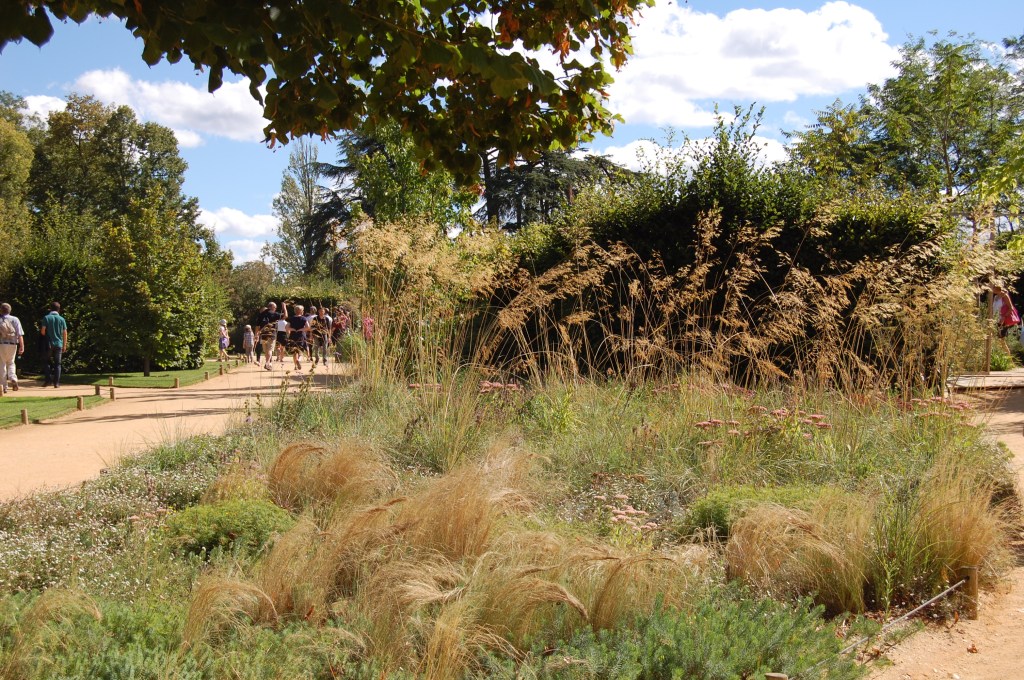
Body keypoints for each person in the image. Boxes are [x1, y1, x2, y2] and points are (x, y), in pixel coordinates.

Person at [41, 302, 68, 388]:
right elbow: (65, 333)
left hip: (48, 344)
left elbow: (43, 331)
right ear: (59, 309)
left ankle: (48, 381)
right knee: (58, 364)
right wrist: (64, 345)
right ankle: (56, 383)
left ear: (50, 308)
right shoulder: (62, 319)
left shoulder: (46, 318)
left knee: (46, 362)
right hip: (58, 344)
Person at [0, 302, 25, 394]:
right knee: (11, 363)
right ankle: (13, 378)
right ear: (10, 310)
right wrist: (22, 346)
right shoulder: (15, 319)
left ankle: (3, 387)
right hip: (13, 344)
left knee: (2, 365)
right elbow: (20, 334)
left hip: (1, 345)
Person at [255, 302, 282, 370]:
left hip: (263, 334)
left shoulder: (260, 316)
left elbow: (257, 327)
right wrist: (284, 307)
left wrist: (256, 334)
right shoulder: (273, 315)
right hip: (272, 334)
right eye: (275, 307)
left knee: (266, 350)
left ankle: (269, 363)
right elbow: (285, 316)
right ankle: (268, 363)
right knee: (269, 350)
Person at [994, 285, 1020, 353]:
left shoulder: (1004, 295)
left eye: (993, 287)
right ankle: (1003, 356)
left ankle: (1009, 360)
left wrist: (1004, 317)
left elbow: (1010, 307)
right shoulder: (995, 297)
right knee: (997, 340)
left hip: (1002, 321)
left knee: (1001, 340)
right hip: (995, 320)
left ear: (997, 287)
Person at [285, 304, 309, 370]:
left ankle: (295, 366)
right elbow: (307, 327)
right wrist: (301, 329)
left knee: (294, 352)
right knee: (301, 350)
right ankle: (299, 360)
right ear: (301, 311)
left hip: (293, 335)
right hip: (301, 335)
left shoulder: (291, 318)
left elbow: (286, 327)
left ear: (295, 311)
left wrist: (293, 329)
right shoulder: (304, 318)